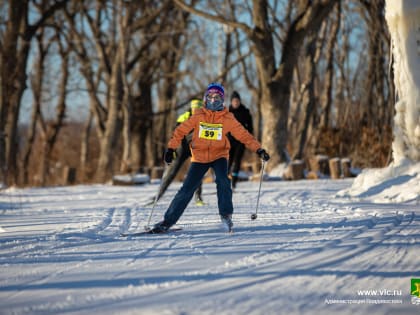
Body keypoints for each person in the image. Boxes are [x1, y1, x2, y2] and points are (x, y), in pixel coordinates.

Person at [151, 83, 270, 233]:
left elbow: (244, 135)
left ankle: (226, 215)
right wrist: (170, 148)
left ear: (222, 100)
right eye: (210, 97)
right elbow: (180, 131)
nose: (214, 100)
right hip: (199, 157)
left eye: (217, 97)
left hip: (219, 155)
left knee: (223, 180)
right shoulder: (198, 116)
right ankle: (167, 221)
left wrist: (259, 149)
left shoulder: (227, 118)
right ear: (206, 99)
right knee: (187, 189)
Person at [152, 99, 204, 206]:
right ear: (191, 108)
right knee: (171, 172)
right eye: (194, 108)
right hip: (183, 148)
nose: (195, 110)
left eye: (198, 108)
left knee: (197, 172)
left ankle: (198, 197)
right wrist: (172, 149)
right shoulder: (183, 117)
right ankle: (158, 195)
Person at [228, 91, 254, 189]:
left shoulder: (245, 111)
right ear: (231, 102)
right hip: (230, 140)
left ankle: (234, 182)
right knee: (228, 160)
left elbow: (250, 126)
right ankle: (225, 180)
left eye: (237, 101)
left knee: (237, 160)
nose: (236, 103)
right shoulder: (227, 112)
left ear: (240, 101)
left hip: (241, 141)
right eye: (234, 101)